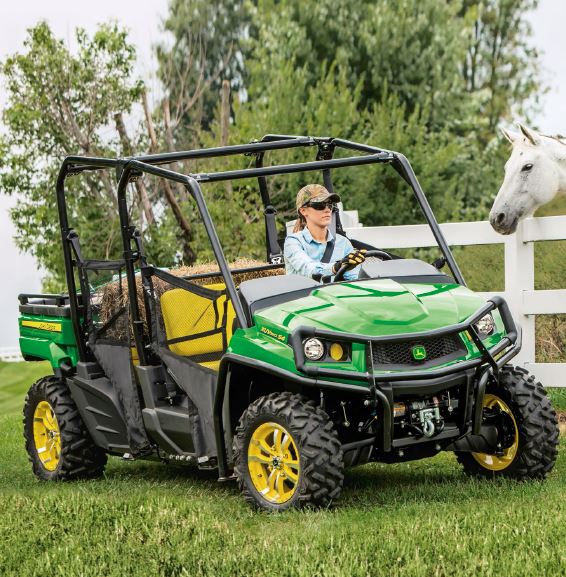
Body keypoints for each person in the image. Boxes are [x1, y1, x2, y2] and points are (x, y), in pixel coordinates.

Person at [284, 184, 366, 281]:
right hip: (305, 295)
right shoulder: (293, 242)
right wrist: (336, 267)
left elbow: (354, 280)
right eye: (320, 205)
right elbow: (307, 268)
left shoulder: (343, 243)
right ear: (303, 211)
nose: (327, 209)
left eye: (330, 205)